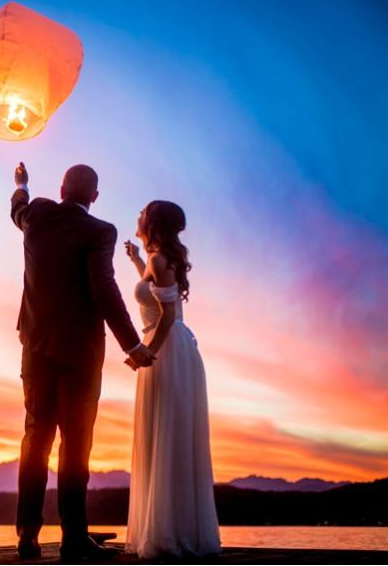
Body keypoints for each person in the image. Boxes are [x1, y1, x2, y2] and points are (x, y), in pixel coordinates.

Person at [10, 162, 155, 561]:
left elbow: (17, 208)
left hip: (36, 348)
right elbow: (102, 287)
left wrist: (21, 184)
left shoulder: (36, 213)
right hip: (79, 355)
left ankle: (27, 536)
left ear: (60, 188)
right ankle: (74, 539)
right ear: (94, 197)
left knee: (35, 438)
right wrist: (131, 344)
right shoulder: (99, 231)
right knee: (75, 445)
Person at [123, 200, 221, 558]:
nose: (136, 217)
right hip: (170, 346)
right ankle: (170, 525)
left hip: (165, 348)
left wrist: (147, 352)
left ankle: (169, 534)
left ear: (151, 222)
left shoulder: (160, 260)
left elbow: (164, 315)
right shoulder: (158, 260)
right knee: (165, 436)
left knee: (167, 436)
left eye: (141, 213)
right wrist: (136, 261)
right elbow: (154, 295)